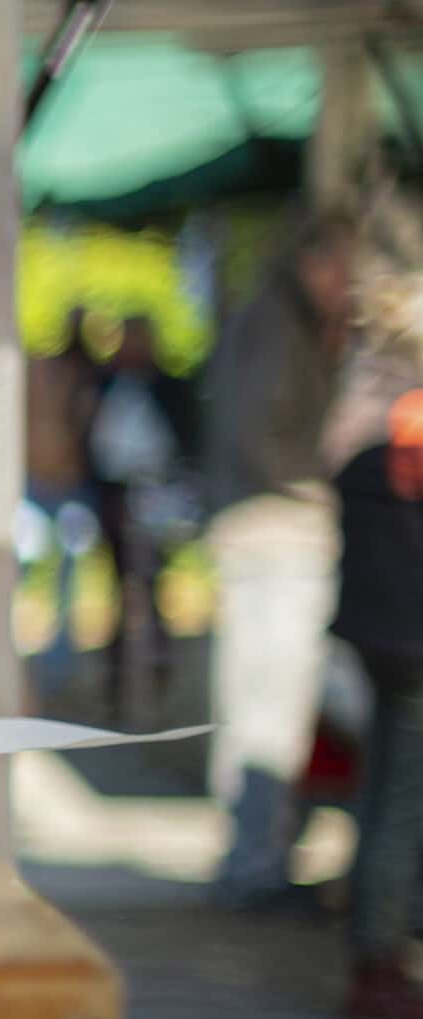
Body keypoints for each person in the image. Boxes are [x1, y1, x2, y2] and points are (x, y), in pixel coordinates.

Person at [202, 213, 358, 908]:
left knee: (264, 708)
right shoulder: (276, 325)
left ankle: (255, 857)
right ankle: (254, 862)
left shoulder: (278, 322)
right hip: (276, 535)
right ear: (310, 262)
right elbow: (258, 433)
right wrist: (328, 489)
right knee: (269, 710)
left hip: (267, 532)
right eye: (340, 268)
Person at [325, 321, 423, 1019]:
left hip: (379, 640)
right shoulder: (403, 433)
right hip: (407, 643)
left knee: (386, 796)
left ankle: (378, 954)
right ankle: (379, 962)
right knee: (398, 803)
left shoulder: (367, 434)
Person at [85, 314, 199, 717]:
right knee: (121, 589)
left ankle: (156, 671)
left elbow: (187, 435)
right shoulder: (106, 383)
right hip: (116, 495)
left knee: (152, 586)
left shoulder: (167, 386)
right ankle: (121, 681)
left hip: (158, 495)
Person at [22, 305, 103, 685]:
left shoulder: (85, 377)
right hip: (41, 483)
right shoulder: (46, 372)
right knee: (23, 566)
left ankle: (56, 666)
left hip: (69, 483)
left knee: (66, 578)